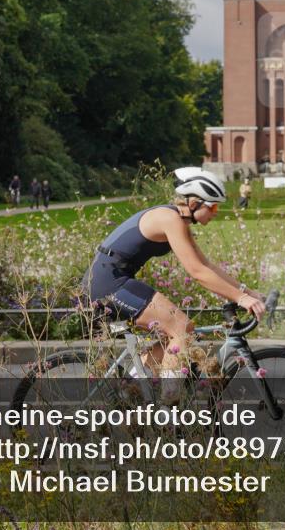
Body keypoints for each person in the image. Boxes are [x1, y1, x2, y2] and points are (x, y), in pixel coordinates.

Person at [82, 167, 266, 398]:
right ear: (195, 202)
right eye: (214, 206)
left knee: (175, 336)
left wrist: (247, 292)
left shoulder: (178, 221)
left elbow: (206, 265)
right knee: (182, 328)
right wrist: (241, 299)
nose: (216, 212)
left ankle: (130, 390)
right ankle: (169, 411)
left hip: (115, 280)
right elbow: (197, 272)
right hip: (109, 283)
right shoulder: (170, 219)